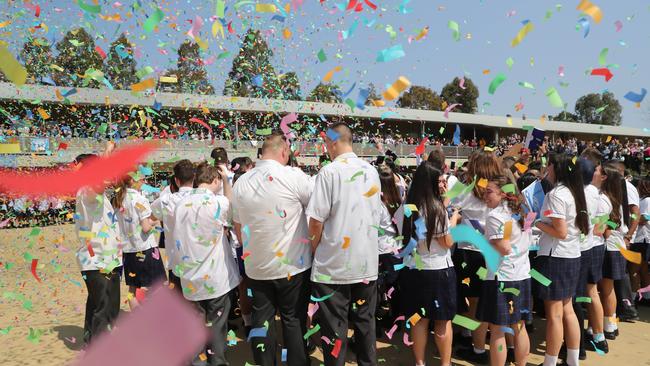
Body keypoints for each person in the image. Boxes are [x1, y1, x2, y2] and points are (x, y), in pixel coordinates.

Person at [231, 132, 313, 366]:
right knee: (293, 320)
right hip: (293, 266)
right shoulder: (293, 175)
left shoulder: (241, 182)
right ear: (284, 152)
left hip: (257, 266)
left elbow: (238, 229)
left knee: (262, 320)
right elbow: (317, 210)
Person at [307, 123, 382, 366]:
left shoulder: (329, 172)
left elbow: (316, 221)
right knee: (365, 323)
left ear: (333, 142)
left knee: (333, 327)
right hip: (365, 260)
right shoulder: (371, 171)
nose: (326, 148)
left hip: (334, 263)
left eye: (326, 143)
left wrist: (314, 249)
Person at [173, 162, 241, 366]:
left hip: (189, 276)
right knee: (217, 327)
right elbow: (231, 211)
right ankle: (216, 362)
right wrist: (228, 181)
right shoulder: (216, 202)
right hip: (214, 276)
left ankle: (197, 362)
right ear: (214, 181)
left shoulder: (180, 204)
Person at [395, 161, 460, 366]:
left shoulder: (407, 206)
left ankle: (420, 362)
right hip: (439, 270)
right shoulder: (436, 209)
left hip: (415, 269)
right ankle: (445, 363)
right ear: (431, 183)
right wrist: (454, 220)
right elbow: (446, 242)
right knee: (442, 321)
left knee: (419, 320)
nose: (444, 185)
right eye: (441, 181)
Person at [534, 153, 590, 366]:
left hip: (556, 257)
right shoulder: (575, 192)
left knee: (555, 314)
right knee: (567, 310)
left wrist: (537, 223)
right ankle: (572, 361)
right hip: (570, 255)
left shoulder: (557, 194)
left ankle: (550, 362)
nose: (546, 169)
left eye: (548, 165)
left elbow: (560, 231)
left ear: (556, 169)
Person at [452, 148, 503, 363]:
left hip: (469, 252)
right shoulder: (500, 188)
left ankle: (475, 344)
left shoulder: (462, 187)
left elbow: (450, 209)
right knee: (490, 299)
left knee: (473, 301)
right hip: (493, 250)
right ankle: (480, 340)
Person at [478, 175, 532, 366]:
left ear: (502, 193)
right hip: (522, 274)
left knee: (498, 329)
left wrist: (485, 240)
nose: (485, 196)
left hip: (502, 276)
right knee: (519, 326)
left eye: (489, 191)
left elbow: (504, 248)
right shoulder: (523, 210)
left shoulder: (495, 216)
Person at [73, 150, 122, 344]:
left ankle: (90, 340)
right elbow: (98, 189)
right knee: (103, 307)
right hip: (95, 259)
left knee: (99, 305)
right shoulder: (86, 190)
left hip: (106, 258)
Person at [112, 172, 166, 309]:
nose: (143, 180)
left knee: (132, 289)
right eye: (141, 177)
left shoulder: (118, 199)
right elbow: (146, 227)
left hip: (128, 250)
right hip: (145, 248)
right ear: (132, 180)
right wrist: (156, 218)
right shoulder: (139, 199)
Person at [150, 159, 195, 292]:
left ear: (176, 180)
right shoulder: (205, 199)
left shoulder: (165, 200)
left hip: (176, 262)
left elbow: (150, 219)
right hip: (198, 261)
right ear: (194, 178)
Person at [598, 161, 630, 341]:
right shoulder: (618, 198)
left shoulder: (607, 199)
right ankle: (611, 324)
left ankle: (609, 326)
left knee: (607, 289)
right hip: (616, 247)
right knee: (609, 289)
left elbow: (607, 229)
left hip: (611, 247)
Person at [376, 163, 403, 336]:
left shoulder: (378, 206)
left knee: (379, 290)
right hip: (397, 251)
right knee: (394, 289)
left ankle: (378, 324)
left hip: (382, 251)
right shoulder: (398, 202)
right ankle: (396, 319)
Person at [630, 177, 650, 303]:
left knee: (634, 270)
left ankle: (632, 299)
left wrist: (632, 219)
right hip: (642, 239)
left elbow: (645, 217)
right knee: (642, 269)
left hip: (642, 239)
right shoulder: (642, 200)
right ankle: (645, 297)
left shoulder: (647, 200)